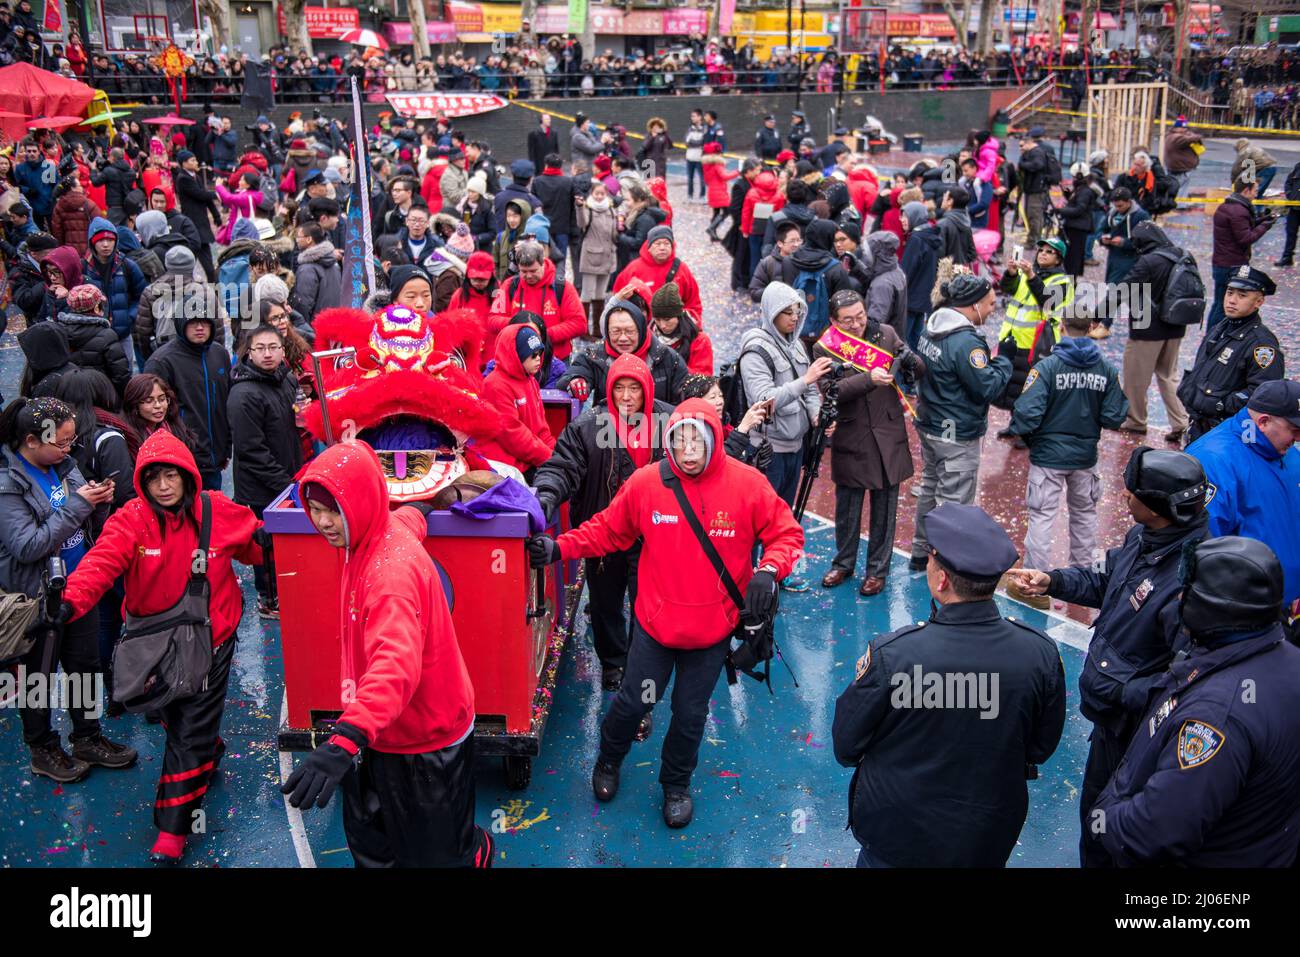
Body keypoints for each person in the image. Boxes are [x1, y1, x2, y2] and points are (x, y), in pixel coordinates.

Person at [528, 399, 803, 828]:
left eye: (699, 438)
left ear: (714, 439)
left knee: (690, 715)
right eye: (680, 438)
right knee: (635, 700)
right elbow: (607, 530)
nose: (689, 448)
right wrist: (559, 547)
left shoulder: (748, 485)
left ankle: (676, 784)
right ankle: (608, 759)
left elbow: (786, 534)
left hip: (711, 634)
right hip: (656, 628)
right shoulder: (646, 484)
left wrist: (769, 570)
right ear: (669, 440)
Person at [287, 441, 493, 868]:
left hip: (425, 743)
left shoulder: (389, 576)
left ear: (359, 504)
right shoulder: (378, 530)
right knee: (374, 849)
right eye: (316, 508)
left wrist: (344, 741)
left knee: (437, 858)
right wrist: (434, 504)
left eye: (334, 509)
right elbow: (411, 519)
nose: (324, 522)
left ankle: (476, 852)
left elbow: (395, 667)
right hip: (382, 732)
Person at [832, 503, 1067, 867]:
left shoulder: (894, 656)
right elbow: (1039, 747)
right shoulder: (1039, 654)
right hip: (984, 837)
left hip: (897, 836)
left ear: (941, 579)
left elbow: (847, 745)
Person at [1009, 446, 1210, 866]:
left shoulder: (1187, 583)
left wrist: (1122, 693)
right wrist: (1052, 581)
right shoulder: (1146, 537)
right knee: (1095, 820)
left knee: (1116, 831)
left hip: (1136, 735)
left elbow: (1190, 679)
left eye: (1133, 493)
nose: (1125, 498)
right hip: (1111, 724)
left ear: (1157, 508)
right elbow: (1108, 584)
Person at [1090, 536, 1300, 867]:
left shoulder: (1216, 717)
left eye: (1187, 593)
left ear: (1210, 610)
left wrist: (1104, 817)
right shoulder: (1288, 660)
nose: (1179, 600)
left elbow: (1155, 831)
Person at [0, 396, 132, 784]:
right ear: (30, 441)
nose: (68, 449)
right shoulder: (8, 486)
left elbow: (85, 527)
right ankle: (43, 748)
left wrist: (99, 504)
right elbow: (27, 546)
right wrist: (77, 505)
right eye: (60, 442)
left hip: (79, 587)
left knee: (84, 667)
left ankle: (87, 736)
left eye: (72, 441)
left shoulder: (65, 466)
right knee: (38, 676)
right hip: (36, 599)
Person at [534, 353, 673, 690]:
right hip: (604, 533)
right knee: (604, 603)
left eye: (634, 389)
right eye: (619, 388)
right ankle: (613, 663)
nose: (626, 397)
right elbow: (561, 468)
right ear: (608, 389)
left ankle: (641, 667)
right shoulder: (588, 426)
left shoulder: (668, 423)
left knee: (650, 605)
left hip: (654, 537)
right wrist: (544, 498)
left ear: (647, 391)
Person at [1006, 309, 1128, 606]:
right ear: (1091, 328)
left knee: (1042, 518)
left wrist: (1032, 436)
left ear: (1061, 326)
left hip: (1048, 456)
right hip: (1085, 457)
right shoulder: (1106, 369)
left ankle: (1032, 582)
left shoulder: (1047, 367)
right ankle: (1081, 581)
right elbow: (1115, 415)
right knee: (1084, 518)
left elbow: (1026, 413)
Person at [815, 291, 922, 597]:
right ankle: (844, 563)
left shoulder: (885, 334)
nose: (856, 324)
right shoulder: (825, 347)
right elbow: (831, 389)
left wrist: (910, 361)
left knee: (885, 507)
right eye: (848, 320)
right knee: (848, 506)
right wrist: (868, 379)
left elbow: (917, 369)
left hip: (887, 432)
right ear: (834, 321)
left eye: (860, 316)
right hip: (852, 433)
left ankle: (878, 570)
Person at [909, 274, 1013, 568]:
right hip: (956, 432)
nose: (993, 309)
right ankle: (944, 565)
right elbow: (987, 388)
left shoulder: (933, 326)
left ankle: (920, 552)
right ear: (973, 304)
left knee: (930, 489)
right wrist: (1004, 360)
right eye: (991, 304)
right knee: (953, 502)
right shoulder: (966, 342)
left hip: (931, 424)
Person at [1187, 379, 1300, 625]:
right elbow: (1199, 548)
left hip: (1283, 605)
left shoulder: (1286, 452)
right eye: (1295, 429)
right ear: (1264, 421)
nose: (1298, 438)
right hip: (1245, 615)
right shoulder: (1214, 461)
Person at [739, 282, 830, 525]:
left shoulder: (796, 344)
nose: (794, 318)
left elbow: (811, 390)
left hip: (796, 447)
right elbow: (763, 401)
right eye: (787, 312)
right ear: (772, 312)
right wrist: (804, 381)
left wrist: (816, 415)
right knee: (760, 522)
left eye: (797, 311)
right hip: (768, 451)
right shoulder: (756, 351)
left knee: (782, 520)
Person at [227, 325, 301, 619]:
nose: (268, 354)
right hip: (261, 484)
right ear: (250, 353)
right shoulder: (243, 394)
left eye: (274, 347)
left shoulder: (286, 380)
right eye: (261, 349)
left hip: (285, 474)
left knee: (285, 542)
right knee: (266, 545)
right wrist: (286, 484)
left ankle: (285, 591)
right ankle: (268, 598)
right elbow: (251, 451)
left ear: (283, 350)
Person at [1177, 266, 1283, 443]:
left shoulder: (1262, 344)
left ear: (1258, 302)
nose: (1232, 300)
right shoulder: (1220, 328)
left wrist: (1221, 404)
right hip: (1199, 426)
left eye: (1242, 296)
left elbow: (1265, 393)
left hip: (1227, 433)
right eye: (1230, 293)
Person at [1109, 221, 1190, 441]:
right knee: (1168, 376)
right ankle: (1181, 422)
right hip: (1176, 325)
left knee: (1136, 378)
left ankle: (1135, 420)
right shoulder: (1182, 254)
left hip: (1147, 329)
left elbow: (1123, 290)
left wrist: (1098, 316)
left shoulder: (1148, 261)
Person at [144, 312, 232, 491]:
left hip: (215, 456)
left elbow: (226, 402)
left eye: (205, 322)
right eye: (193, 322)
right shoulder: (162, 361)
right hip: (180, 458)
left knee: (210, 511)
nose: (200, 328)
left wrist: (225, 447)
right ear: (181, 324)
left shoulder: (219, 354)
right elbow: (150, 413)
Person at [560, 292, 686, 406]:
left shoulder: (667, 357)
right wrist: (576, 381)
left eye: (629, 332)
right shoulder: (595, 355)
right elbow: (570, 376)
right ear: (607, 333)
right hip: (607, 427)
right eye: (616, 332)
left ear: (641, 330)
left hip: (657, 425)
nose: (623, 338)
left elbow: (685, 396)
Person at [995, 237, 1074, 418]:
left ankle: (1026, 431)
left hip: (1036, 342)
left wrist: (1031, 276)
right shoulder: (1028, 272)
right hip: (1013, 337)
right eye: (1041, 250)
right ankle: (1015, 425)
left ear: (1059, 259)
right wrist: (1011, 273)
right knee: (1012, 386)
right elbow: (1008, 288)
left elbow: (1048, 302)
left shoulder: (1062, 281)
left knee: (1029, 388)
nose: (1043, 254)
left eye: (1049, 252)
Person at [487, 240, 587, 362]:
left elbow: (579, 323)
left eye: (533, 271)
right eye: (523, 271)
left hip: (554, 360)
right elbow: (492, 319)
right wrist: (520, 328)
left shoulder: (563, 287)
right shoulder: (509, 285)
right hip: (519, 360)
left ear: (543, 263)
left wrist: (543, 334)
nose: (528, 276)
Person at [475, 324, 555, 476]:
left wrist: (558, 455)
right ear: (516, 354)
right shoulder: (494, 385)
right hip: (505, 466)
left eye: (540, 353)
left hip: (528, 458)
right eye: (533, 355)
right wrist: (549, 458)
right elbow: (513, 435)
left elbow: (541, 429)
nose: (538, 359)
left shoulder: (531, 381)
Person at [1207, 178, 1277, 330]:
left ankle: (1212, 334)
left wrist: (1262, 220)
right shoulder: (1239, 211)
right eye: (1255, 191)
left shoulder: (1228, 206)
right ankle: (1214, 336)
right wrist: (1265, 226)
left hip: (1221, 262)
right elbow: (1246, 238)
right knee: (1222, 306)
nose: (1256, 194)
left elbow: (1241, 228)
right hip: (1231, 264)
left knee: (1218, 303)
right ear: (1246, 190)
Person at [48, 283, 131, 397]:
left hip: (68, 395)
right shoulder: (107, 335)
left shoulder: (58, 332)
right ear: (96, 308)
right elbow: (120, 375)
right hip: (101, 396)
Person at [82, 216, 147, 362]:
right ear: (92, 242)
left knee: (125, 375)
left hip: (122, 335)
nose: (105, 245)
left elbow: (142, 295)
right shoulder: (83, 267)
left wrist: (129, 317)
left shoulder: (127, 265)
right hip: (93, 337)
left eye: (110, 240)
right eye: (100, 240)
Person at [574, 179, 618, 333]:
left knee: (601, 295)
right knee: (587, 294)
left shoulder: (611, 209)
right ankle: (583, 329)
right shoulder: (588, 209)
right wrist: (579, 207)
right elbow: (581, 223)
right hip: (591, 257)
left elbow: (614, 233)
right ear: (592, 194)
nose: (599, 196)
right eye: (596, 193)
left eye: (602, 193)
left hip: (607, 258)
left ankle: (598, 329)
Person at [899, 201, 941, 351]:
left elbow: (905, 272)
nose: (901, 219)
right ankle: (920, 370)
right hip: (923, 298)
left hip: (910, 298)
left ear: (915, 217)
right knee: (917, 339)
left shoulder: (916, 239)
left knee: (902, 340)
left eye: (905, 216)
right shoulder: (929, 236)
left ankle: (907, 372)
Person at [174, 150, 222, 282]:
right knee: (194, 257)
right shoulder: (182, 179)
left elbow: (205, 197)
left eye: (195, 160)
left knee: (202, 257)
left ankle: (211, 284)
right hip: (192, 223)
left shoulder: (196, 177)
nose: (196, 163)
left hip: (202, 222)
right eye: (192, 160)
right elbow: (199, 194)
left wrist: (216, 215)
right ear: (184, 163)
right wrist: (216, 194)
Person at [650, 282, 713, 375]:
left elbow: (704, 378)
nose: (662, 325)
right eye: (657, 319)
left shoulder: (700, 341)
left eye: (667, 319)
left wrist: (673, 367)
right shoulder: (648, 336)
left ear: (678, 316)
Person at [290, 222, 342, 323]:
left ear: (309, 239)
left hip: (315, 328)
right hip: (334, 323)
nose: (296, 240)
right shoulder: (334, 264)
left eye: (298, 237)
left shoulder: (307, 269)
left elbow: (303, 305)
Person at [748, 220, 802, 303]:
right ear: (780, 243)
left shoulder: (804, 262)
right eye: (792, 241)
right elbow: (754, 293)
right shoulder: (768, 263)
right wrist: (776, 290)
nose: (797, 244)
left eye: (799, 240)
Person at [1016, 127, 1052, 247]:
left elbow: (1037, 165)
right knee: (1032, 214)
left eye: (1022, 146)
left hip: (1037, 189)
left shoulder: (1036, 153)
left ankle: (1033, 240)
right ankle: (1034, 238)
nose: (1020, 149)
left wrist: (1022, 164)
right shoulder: (1032, 153)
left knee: (1034, 215)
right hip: (1032, 188)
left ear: (1029, 143)